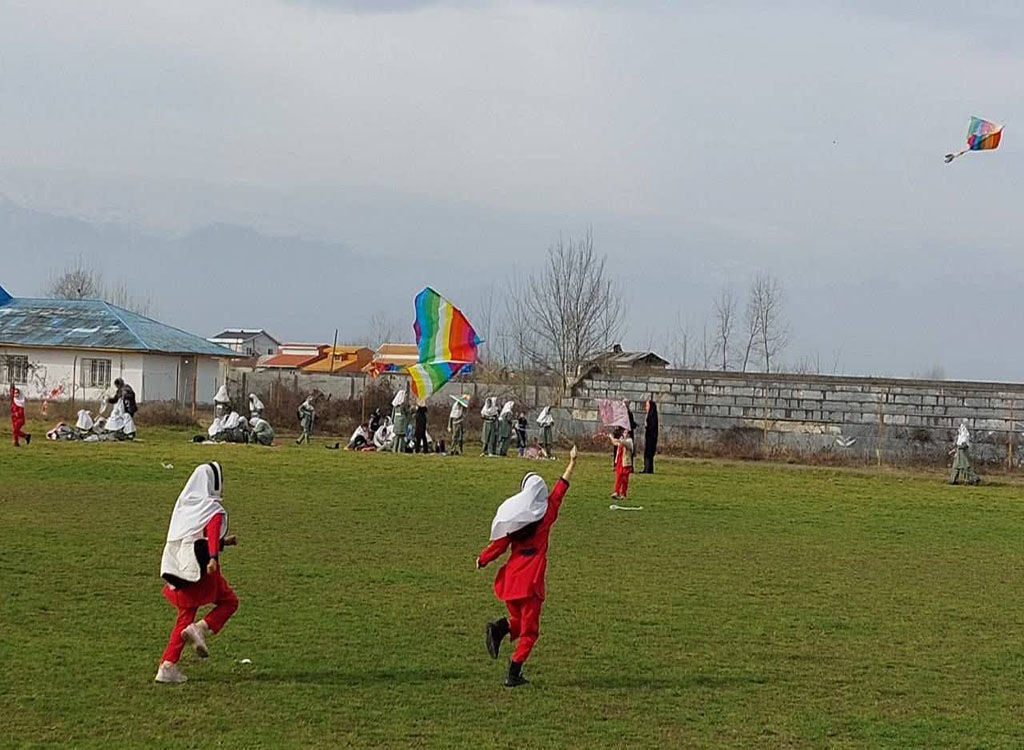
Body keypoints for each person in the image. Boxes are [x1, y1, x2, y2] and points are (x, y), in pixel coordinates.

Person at [477, 446, 578, 687]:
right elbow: (560, 489)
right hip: (530, 582)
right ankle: (513, 672)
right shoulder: (547, 515)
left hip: (511, 579)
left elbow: (499, 545)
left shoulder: (516, 522)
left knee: (518, 621)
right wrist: (572, 462)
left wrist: (482, 559)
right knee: (530, 632)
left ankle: (499, 629)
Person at [156, 462, 239, 684]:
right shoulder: (212, 509)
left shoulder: (185, 507)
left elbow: (192, 537)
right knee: (229, 602)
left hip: (181, 571)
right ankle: (200, 628)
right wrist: (213, 556)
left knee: (184, 617)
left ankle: (168, 665)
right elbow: (210, 532)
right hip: (204, 572)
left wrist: (223, 543)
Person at [949, 420, 980, 485]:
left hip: (962, 453)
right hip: (959, 453)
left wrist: (958, 448)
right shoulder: (961, 435)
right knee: (956, 467)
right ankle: (953, 480)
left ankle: (974, 478)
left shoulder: (965, 435)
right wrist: (954, 450)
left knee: (965, 468)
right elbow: (958, 444)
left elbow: (964, 445)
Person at [609, 426, 634, 500]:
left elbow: (624, 443)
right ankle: (616, 492)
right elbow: (615, 443)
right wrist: (611, 437)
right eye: (624, 432)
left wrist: (618, 440)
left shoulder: (629, 441)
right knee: (618, 477)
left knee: (625, 479)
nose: (625, 434)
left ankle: (623, 494)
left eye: (627, 433)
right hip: (620, 461)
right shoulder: (621, 439)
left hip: (626, 462)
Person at [641, 397, 659, 474]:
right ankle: (648, 468)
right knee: (648, 452)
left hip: (651, 437)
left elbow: (651, 426)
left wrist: (647, 426)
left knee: (648, 452)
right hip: (650, 436)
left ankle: (648, 469)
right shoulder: (651, 415)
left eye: (647, 406)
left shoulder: (652, 416)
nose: (646, 408)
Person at [391, 388, 410, 453]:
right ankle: (399, 450)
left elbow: (392, 415)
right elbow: (407, 413)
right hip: (402, 423)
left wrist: (393, 421)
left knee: (396, 437)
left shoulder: (395, 405)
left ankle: (394, 449)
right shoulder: (403, 405)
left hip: (396, 422)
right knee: (401, 437)